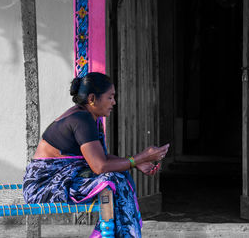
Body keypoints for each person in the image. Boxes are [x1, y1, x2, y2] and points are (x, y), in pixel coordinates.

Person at [23, 72, 169, 238]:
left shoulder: (89, 117)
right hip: (44, 185)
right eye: (110, 97)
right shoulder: (82, 119)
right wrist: (141, 157)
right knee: (113, 179)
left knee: (118, 175)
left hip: (64, 179)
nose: (114, 102)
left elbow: (101, 158)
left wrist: (135, 162)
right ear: (92, 99)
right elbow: (100, 166)